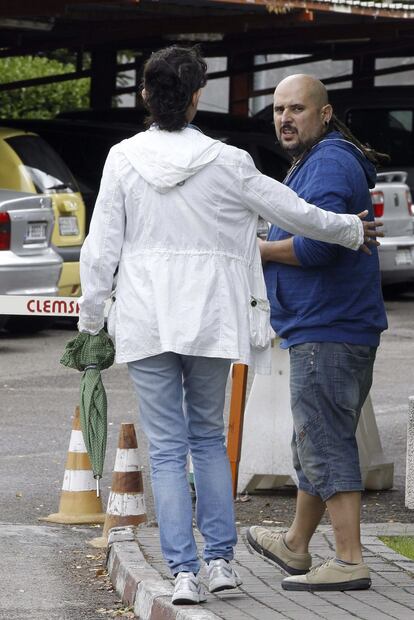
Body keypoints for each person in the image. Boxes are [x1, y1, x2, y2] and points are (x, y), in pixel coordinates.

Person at [77, 49, 381, 606]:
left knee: (166, 449)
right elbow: (293, 211)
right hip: (211, 317)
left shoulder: (122, 159)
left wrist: (92, 321)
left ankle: (183, 572)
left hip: (147, 318)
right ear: (197, 98)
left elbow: (100, 250)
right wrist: (350, 230)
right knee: (207, 441)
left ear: (147, 96)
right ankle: (220, 563)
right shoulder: (228, 160)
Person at [247, 74, 388, 593]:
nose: (285, 118)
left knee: (324, 439)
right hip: (332, 326)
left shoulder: (328, 162)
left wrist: (257, 251)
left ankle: (350, 560)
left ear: (324, 114)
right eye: (279, 109)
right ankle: (296, 545)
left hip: (329, 329)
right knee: (314, 437)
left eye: (297, 109)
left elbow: (323, 246)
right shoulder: (318, 159)